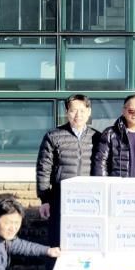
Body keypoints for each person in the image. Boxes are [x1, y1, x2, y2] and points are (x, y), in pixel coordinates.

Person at [36, 94, 99, 248]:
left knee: (87, 237)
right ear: (66, 112)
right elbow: (44, 169)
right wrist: (45, 200)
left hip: (89, 198)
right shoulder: (53, 136)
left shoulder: (97, 137)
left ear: (89, 112)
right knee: (59, 239)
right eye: (73, 110)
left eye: (82, 111)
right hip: (61, 196)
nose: (78, 115)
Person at [92, 95, 135, 178]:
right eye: (131, 111)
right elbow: (100, 162)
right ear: (123, 111)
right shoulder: (110, 134)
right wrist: (105, 183)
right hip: (118, 184)